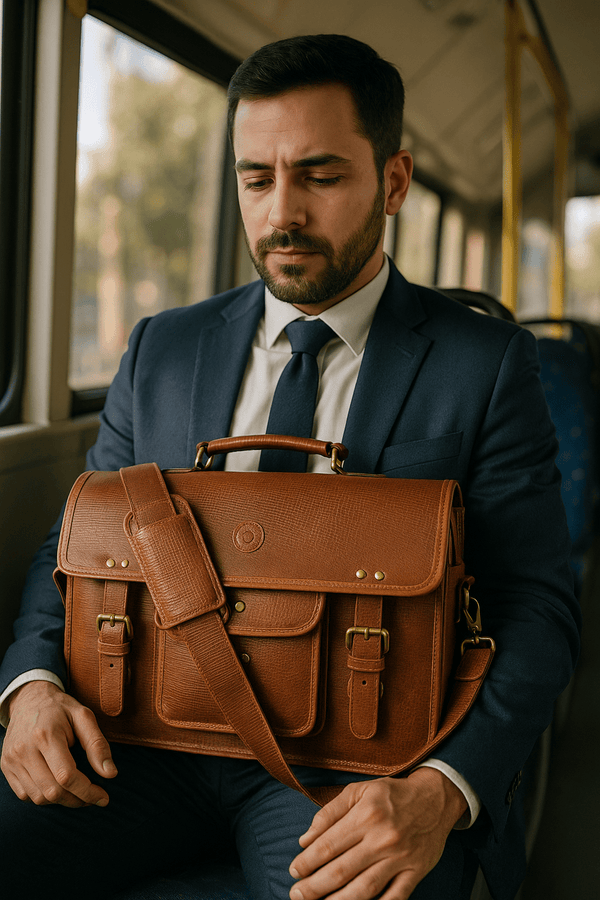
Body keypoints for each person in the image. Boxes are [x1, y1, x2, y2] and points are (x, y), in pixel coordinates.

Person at [0, 33, 580, 900]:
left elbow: (537, 605)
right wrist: (32, 687)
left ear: (392, 180)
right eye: (257, 178)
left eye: (321, 175)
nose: (282, 214)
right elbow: (74, 547)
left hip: (354, 765)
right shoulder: (163, 348)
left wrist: (440, 792)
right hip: (143, 738)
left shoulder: (485, 364)